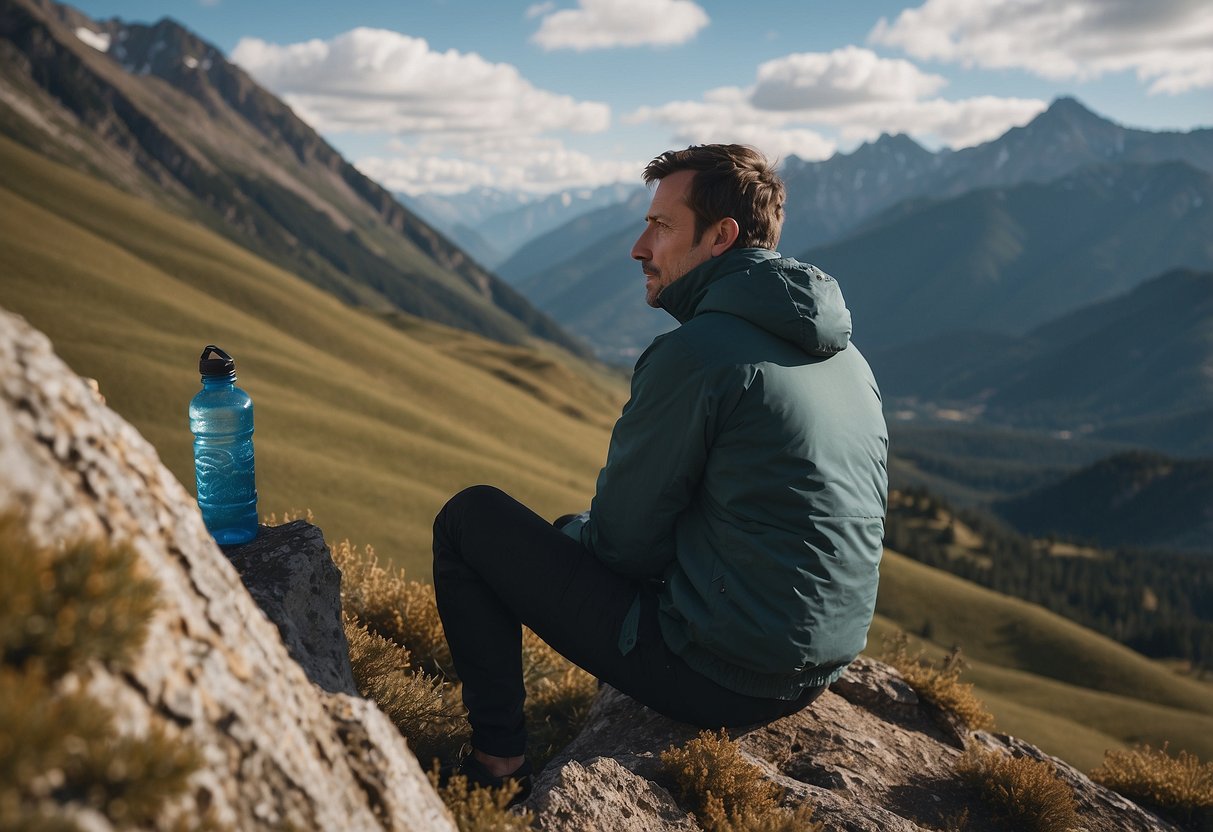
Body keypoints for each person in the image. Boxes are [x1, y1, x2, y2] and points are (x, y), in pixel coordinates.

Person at [432, 144, 888, 797]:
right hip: (814, 668)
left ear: (720, 237)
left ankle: (496, 765)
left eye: (662, 227)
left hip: (720, 677)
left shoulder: (696, 354)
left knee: (471, 520)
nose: (639, 248)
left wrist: (568, 538)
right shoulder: (847, 356)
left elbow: (622, 544)